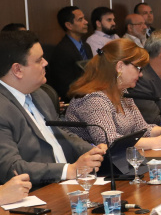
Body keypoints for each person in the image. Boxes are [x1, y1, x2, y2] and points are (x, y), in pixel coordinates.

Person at [0, 30, 106, 186]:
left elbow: (63, 133)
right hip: (35, 196)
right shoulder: (3, 109)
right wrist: (68, 170)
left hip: (70, 186)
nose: (46, 63)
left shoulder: (41, 95)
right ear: (17, 70)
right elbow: (11, 168)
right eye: (39, 60)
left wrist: (92, 151)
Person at [64, 38, 161, 149]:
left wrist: (160, 131)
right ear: (120, 66)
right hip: (92, 167)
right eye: (138, 68)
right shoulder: (93, 98)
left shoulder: (122, 91)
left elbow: (141, 128)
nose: (140, 74)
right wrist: (156, 142)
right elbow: (108, 141)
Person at [47, 5, 91, 100]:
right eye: (80, 19)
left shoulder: (86, 47)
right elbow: (65, 87)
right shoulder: (62, 51)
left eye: (84, 18)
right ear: (69, 25)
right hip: (75, 100)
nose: (86, 22)